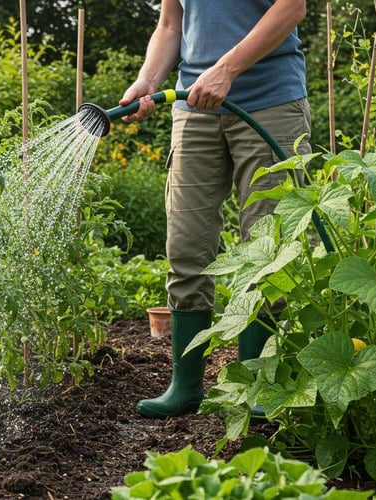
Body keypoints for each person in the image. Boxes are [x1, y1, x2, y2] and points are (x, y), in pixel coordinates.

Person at [121, 0, 312, 418]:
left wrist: (226, 70)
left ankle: (259, 384)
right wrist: (147, 79)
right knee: (186, 246)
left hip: (271, 105)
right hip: (193, 109)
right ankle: (186, 387)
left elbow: (291, 8)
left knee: (268, 247)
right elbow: (171, 25)